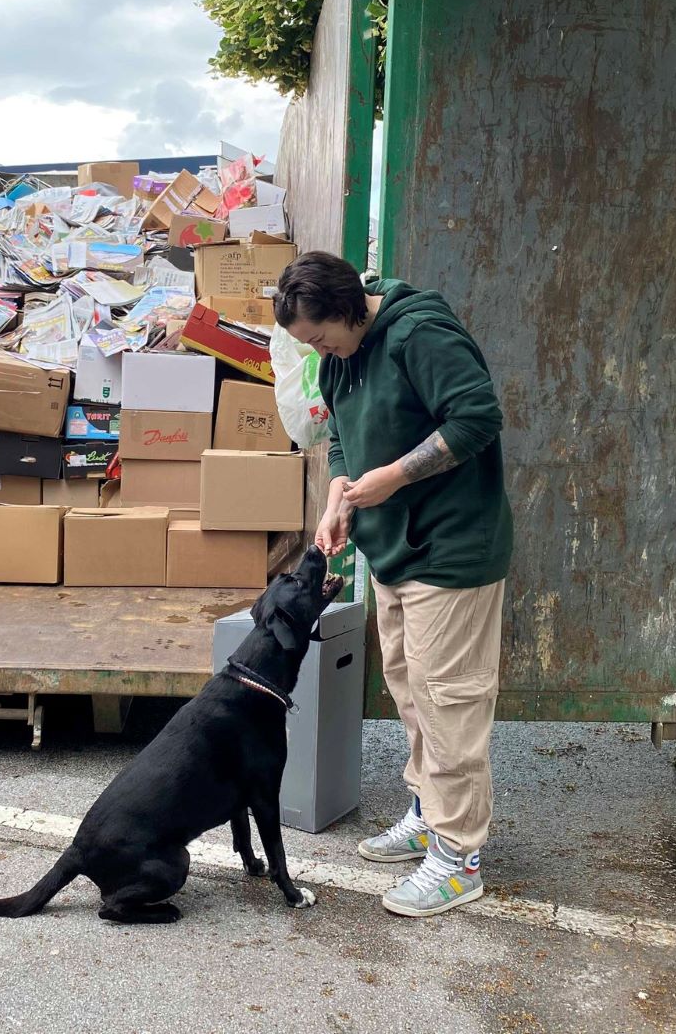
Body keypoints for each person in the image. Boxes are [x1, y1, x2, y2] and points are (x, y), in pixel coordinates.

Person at [273, 251, 514, 918]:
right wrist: (338, 499)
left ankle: (459, 857)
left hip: (451, 546)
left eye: (321, 336)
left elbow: (477, 418)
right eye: (308, 343)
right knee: (409, 685)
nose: (318, 350)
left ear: (350, 308)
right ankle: (426, 811)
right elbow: (343, 439)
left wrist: (395, 477)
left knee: (449, 700)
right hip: (394, 547)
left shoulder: (419, 333)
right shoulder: (339, 356)